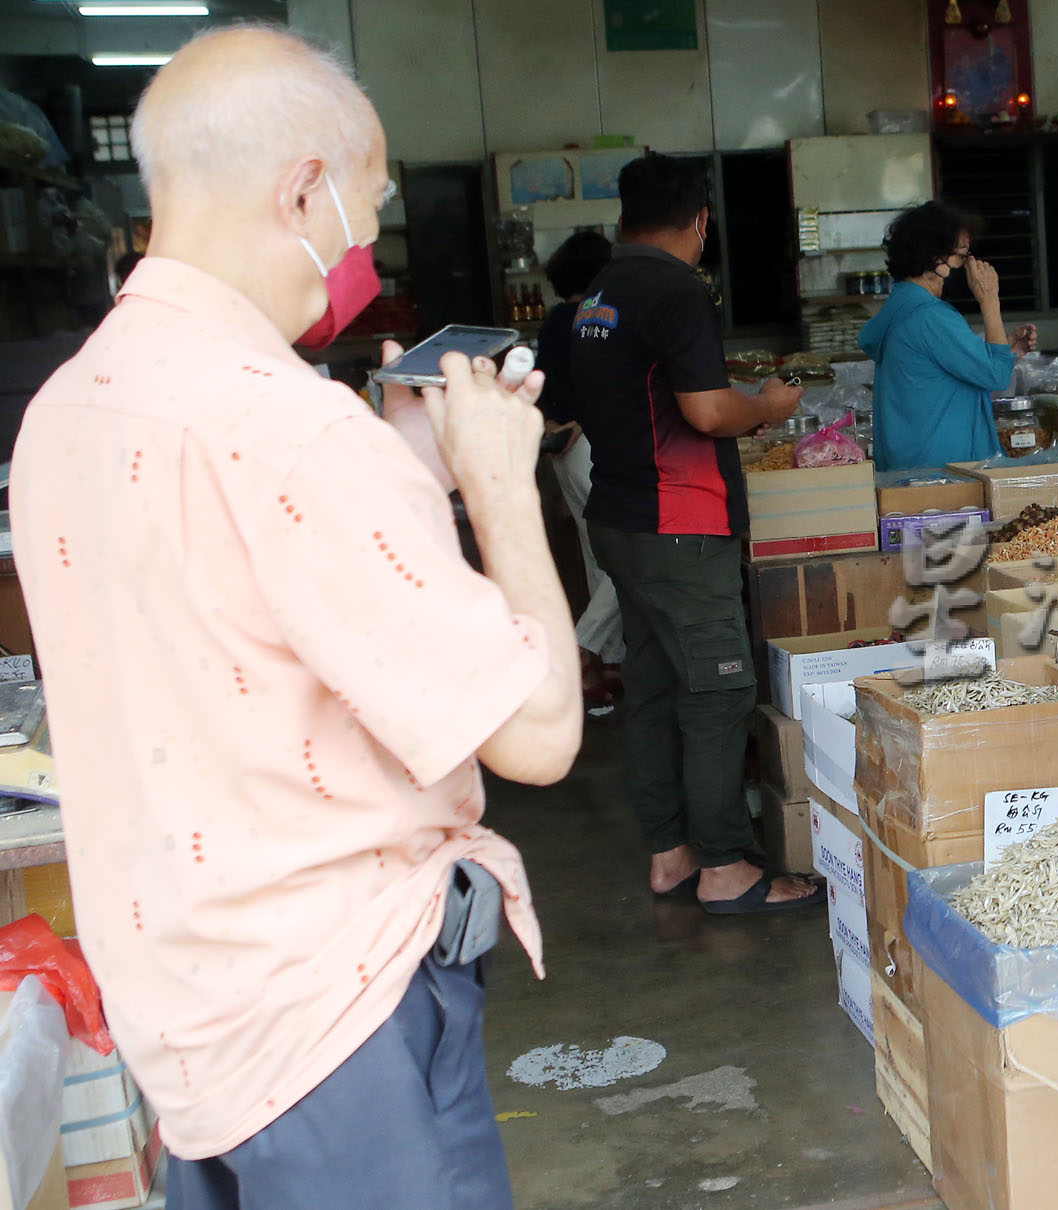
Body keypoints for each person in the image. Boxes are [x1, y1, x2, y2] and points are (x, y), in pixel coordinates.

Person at [10, 26, 582, 1208]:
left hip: (188, 1019)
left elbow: (246, 613)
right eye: (364, 214)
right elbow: (538, 733)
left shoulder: (67, 409)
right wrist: (495, 482)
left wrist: (401, 471)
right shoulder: (290, 428)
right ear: (305, 190)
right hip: (339, 1028)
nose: (361, 250)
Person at [568, 152, 818, 914]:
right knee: (720, 688)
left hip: (621, 517)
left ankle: (670, 851)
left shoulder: (600, 291)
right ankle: (723, 865)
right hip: (679, 522)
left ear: (623, 216)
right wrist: (770, 407)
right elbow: (708, 413)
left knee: (653, 686)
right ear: (701, 223)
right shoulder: (675, 288)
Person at [861, 201, 1037, 472]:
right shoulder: (931, 317)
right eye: (963, 255)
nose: (970, 265)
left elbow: (940, 371)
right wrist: (990, 301)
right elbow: (996, 376)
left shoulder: (899, 308)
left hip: (909, 463)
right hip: (944, 471)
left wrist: (1004, 350)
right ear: (935, 258)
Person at [532, 228, 625, 707]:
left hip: (564, 451)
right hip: (594, 445)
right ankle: (580, 649)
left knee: (596, 557)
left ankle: (608, 669)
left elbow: (546, 386)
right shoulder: (599, 318)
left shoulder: (553, 323)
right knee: (625, 558)